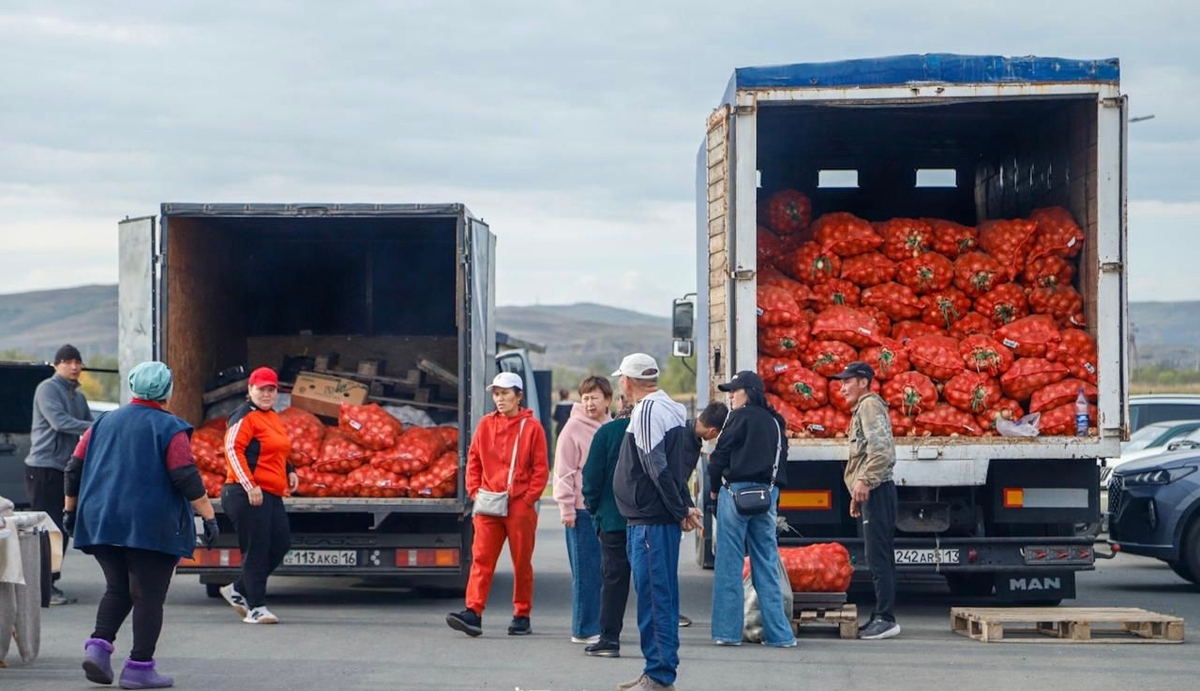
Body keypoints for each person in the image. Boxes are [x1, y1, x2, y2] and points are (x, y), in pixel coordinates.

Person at [63, 361, 219, 688]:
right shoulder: (169, 428)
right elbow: (184, 476)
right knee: (148, 596)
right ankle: (139, 667)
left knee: (118, 588)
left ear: (134, 386)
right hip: (149, 525)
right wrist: (208, 515)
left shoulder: (101, 423)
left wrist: (69, 510)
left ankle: (98, 649)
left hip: (102, 521)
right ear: (167, 391)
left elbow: (73, 468)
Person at [611, 353, 702, 691]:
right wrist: (684, 506)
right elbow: (677, 468)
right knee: (662, 596)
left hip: (649, 522)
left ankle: (659, 675)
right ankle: (659, 670)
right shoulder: (672, 408)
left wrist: (679, 510)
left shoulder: (647, 410)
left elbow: (657, 466)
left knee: (654, 599)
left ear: (627, 381)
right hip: (654, 519)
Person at [447, 371, 549, 637]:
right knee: (481, 559)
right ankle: (473, 612)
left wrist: (528, 499)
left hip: (519, 505)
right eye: (496, 393)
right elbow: (474, 460)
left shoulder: (532, 428)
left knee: (521, 562)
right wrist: (474, 491)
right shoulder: (485, 424)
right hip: (488, 502)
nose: (500, 398)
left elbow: (541, 468)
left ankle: (521, 614)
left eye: (505, 393)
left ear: (519, 396)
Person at [707, 370, 797, 648]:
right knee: (766, 563)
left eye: (734, 390)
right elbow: (782, 460)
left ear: (748, 392)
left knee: (729, 564)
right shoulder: (776, 422)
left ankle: (727, 633)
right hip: (766, 495)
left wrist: (713, 489)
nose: (730, 396)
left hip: (735, 495)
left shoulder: (738, 418)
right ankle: (780, 635)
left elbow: (719, 456)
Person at [219, 367, 298, 625]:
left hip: (271, 493)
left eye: (271, 389)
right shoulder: (244, 415)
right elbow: (233, 449)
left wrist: (289, 470)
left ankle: (238, 589)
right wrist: (249, 485)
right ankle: (256, 607)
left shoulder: (272, 416)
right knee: (257, 548)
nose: (266, 394)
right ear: (250, 390)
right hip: (245, 493)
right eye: (261, 389)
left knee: (281, 543)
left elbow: (277, 449)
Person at [831, 361, 900, 640]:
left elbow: (881, 451)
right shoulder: (863, 407)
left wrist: (865, 482)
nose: (842, 387)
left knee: (878, 556)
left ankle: (886, 618)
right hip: (874, 490)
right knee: (877, 554)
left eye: (847, 381)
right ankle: (881, 614)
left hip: (879, 489)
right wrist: (858, 491)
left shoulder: (870, 405)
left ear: (863, 382)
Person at [25, 343, 93, 605]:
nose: (74, 367)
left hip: (66, 468)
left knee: (62, 527)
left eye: (77, 362)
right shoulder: (47, 389)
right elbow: (60, 422)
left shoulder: (79, 396)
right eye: (68, 362)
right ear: (57, 365)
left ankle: (51, 582)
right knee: (46, 528)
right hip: (44, 467)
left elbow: (89, 429)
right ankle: (41, 586)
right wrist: (100, 425)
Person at [552, 375, 613, 644]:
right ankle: (583, 628)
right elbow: (563, 471)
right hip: (580, 510)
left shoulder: (610, 426)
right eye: (585, 398)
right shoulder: (573, 428)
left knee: (604, 572)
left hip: (606, 512)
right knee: (585, 573)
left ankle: (599, 625)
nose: (589, 403)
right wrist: (566, 508)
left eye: (594, 398)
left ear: (607, 400)